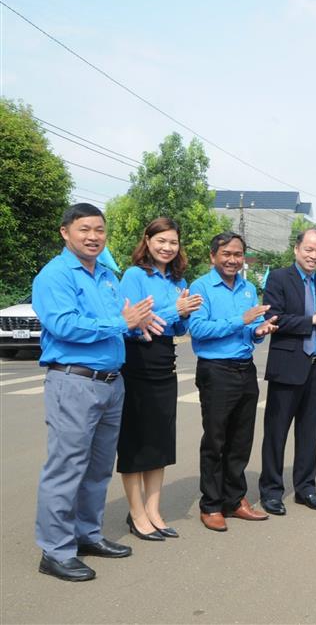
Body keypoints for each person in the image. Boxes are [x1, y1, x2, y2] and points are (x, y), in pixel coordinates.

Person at [32, 203, 162, 582]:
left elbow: (122, 322)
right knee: (66, 467)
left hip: (110, 382)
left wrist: (137, 325)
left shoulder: (106, 275)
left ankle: (87, 534)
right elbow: (63, 325)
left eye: (99, 230)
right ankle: (55, 551)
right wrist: (120, 321)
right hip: (73, 381)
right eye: (85, 229)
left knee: (98, 468)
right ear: (65, 233)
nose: (93, 237)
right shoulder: (54, 275)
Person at [117, 218, 203, 541]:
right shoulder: (135, 276)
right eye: (161, 241)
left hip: (166, 362)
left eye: (173, 242)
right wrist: (174, 310)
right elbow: (131, 323)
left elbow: (179, 330)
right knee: (135, 441)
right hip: (136, 362)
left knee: (160, 441)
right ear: (148, 240)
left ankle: (154, 510)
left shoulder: (179, 280)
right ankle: (136, 513)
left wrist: (183, 314)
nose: (167, 247)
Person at [189, 232, 278, 532]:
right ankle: (211, 504)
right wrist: (241, 320)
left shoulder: (248, 288)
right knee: (215, 440)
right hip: (215, 370)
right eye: (226, 253)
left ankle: (235, 499)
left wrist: (259, 330)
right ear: (213, 256)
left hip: (245, 368)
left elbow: (250, 328)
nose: (232, 259)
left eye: (238, 254)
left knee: (241, 440)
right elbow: (198, 329)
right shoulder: (200, 287)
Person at [259, 228, 316, 515]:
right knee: (276, 432)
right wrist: (314, 319)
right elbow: (275, 317)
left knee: (310, 434)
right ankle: (271, 491)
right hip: (287, 367)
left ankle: (306, 488)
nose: (314, 255)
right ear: (296, 249)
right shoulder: (279, 278)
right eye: (309, 249)